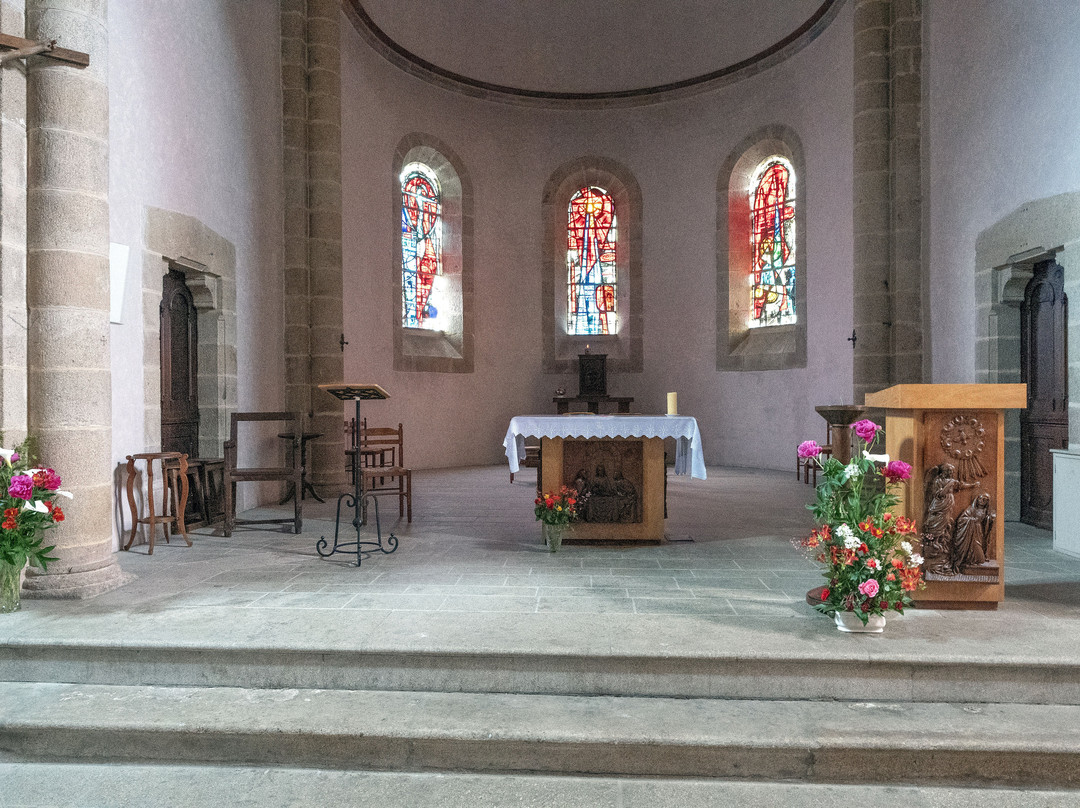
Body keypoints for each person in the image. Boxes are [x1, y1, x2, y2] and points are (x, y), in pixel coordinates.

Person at [952, 493, 994, 570]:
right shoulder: (971, 509)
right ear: (977, 499)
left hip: (979, 532)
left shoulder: (986, 511)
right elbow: (961, 520)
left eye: (984, 500)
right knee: (976, 553)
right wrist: (971, 520)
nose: (981, 501)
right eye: (980, 499)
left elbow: (987, 523)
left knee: (980, 557)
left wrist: (990, 519)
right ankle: (968, 561)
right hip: (969, 532)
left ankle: (974, 563)